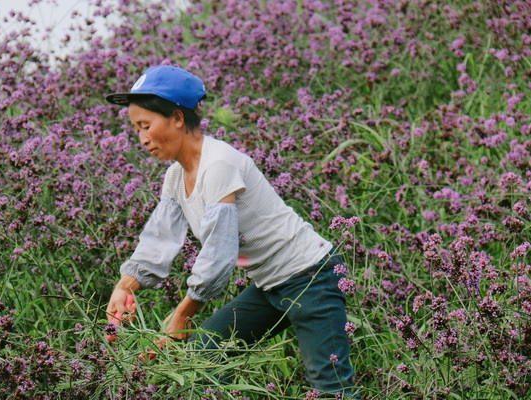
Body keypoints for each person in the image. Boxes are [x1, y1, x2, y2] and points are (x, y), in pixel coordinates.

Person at [105, 65, 355, 396]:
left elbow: (220, 253)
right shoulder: (175, 178)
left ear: (178, 118)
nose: (142, 138)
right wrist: (126, 286)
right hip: (270, 285)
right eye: (136, 129)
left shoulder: (218, 164)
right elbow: (158, 241)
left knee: (331, 387)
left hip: (310, 277)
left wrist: (183, 315)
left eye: (146, 125)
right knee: (205, 356)